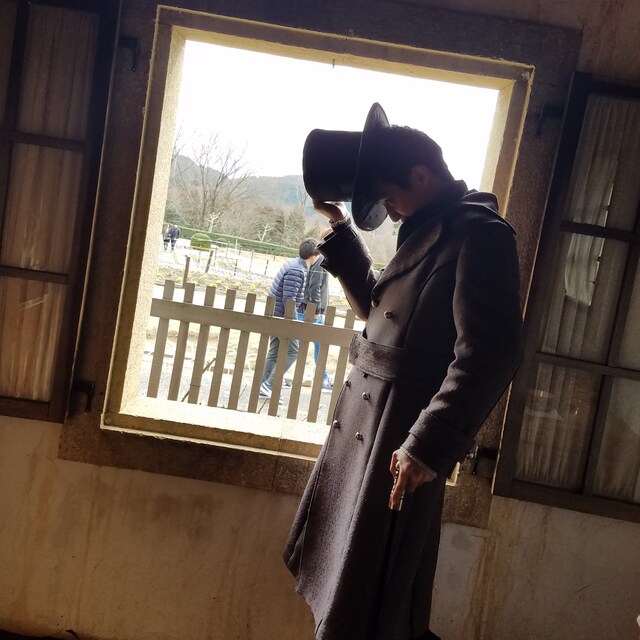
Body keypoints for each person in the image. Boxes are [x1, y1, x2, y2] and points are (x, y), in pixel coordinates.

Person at [284, 104, 523, 640]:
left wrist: (426, 446)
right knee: (349, 588)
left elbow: (492, 352)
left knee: (374, 601)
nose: (390, 214)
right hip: (373, 434)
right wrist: (340, 228)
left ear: (421, 175)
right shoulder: (430, 225)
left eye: (390, 199)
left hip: (399, 440)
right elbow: (381, 311)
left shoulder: (480, 234)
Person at [259, 238, 319, 399]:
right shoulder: (297, 271)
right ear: (313, 255)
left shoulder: (294, 264)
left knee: (275, 351)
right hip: (282, 316)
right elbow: (289, 300)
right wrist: (293, 322)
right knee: (293, 350)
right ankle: (269, 384)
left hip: (275, 313)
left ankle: (263, 386)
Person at [300, 251, 333, 390]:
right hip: (312, 311)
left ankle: (322, 378)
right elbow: (314, 286)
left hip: (307, 308)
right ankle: (323, 379)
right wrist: (317, 310)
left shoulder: (319, 259)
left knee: (296, 346)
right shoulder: (320, 260)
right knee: (319, 345)